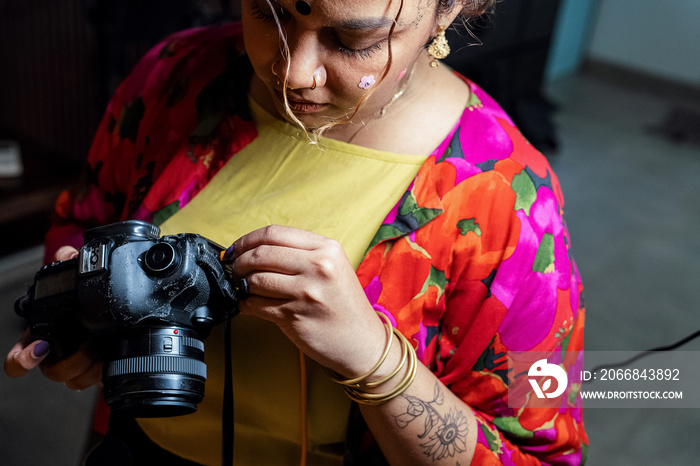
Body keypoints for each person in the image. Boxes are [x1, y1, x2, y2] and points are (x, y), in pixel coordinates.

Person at [5, 0, 587, 464]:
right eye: (270, 12)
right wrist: (80, 320)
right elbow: (86, 219)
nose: (294, 73)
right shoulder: (176, 75)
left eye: (353, 41)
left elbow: (534, 458)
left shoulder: (507, 203)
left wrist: (375, 358)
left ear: (450, 8)